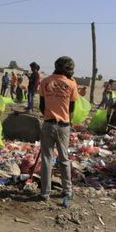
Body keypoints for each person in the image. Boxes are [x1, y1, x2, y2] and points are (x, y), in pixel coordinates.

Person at [38, 56, 78, 201]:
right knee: (64, 159)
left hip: (48, 124)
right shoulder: (72, 84)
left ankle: (45, 193)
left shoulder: (45, 81)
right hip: (63, 126)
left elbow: (41, 106)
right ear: (64, 68)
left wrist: (49, 116)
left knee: (47, 159)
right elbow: (71, 108)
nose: (72, 72)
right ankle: (67, 191)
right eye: (70, 69)